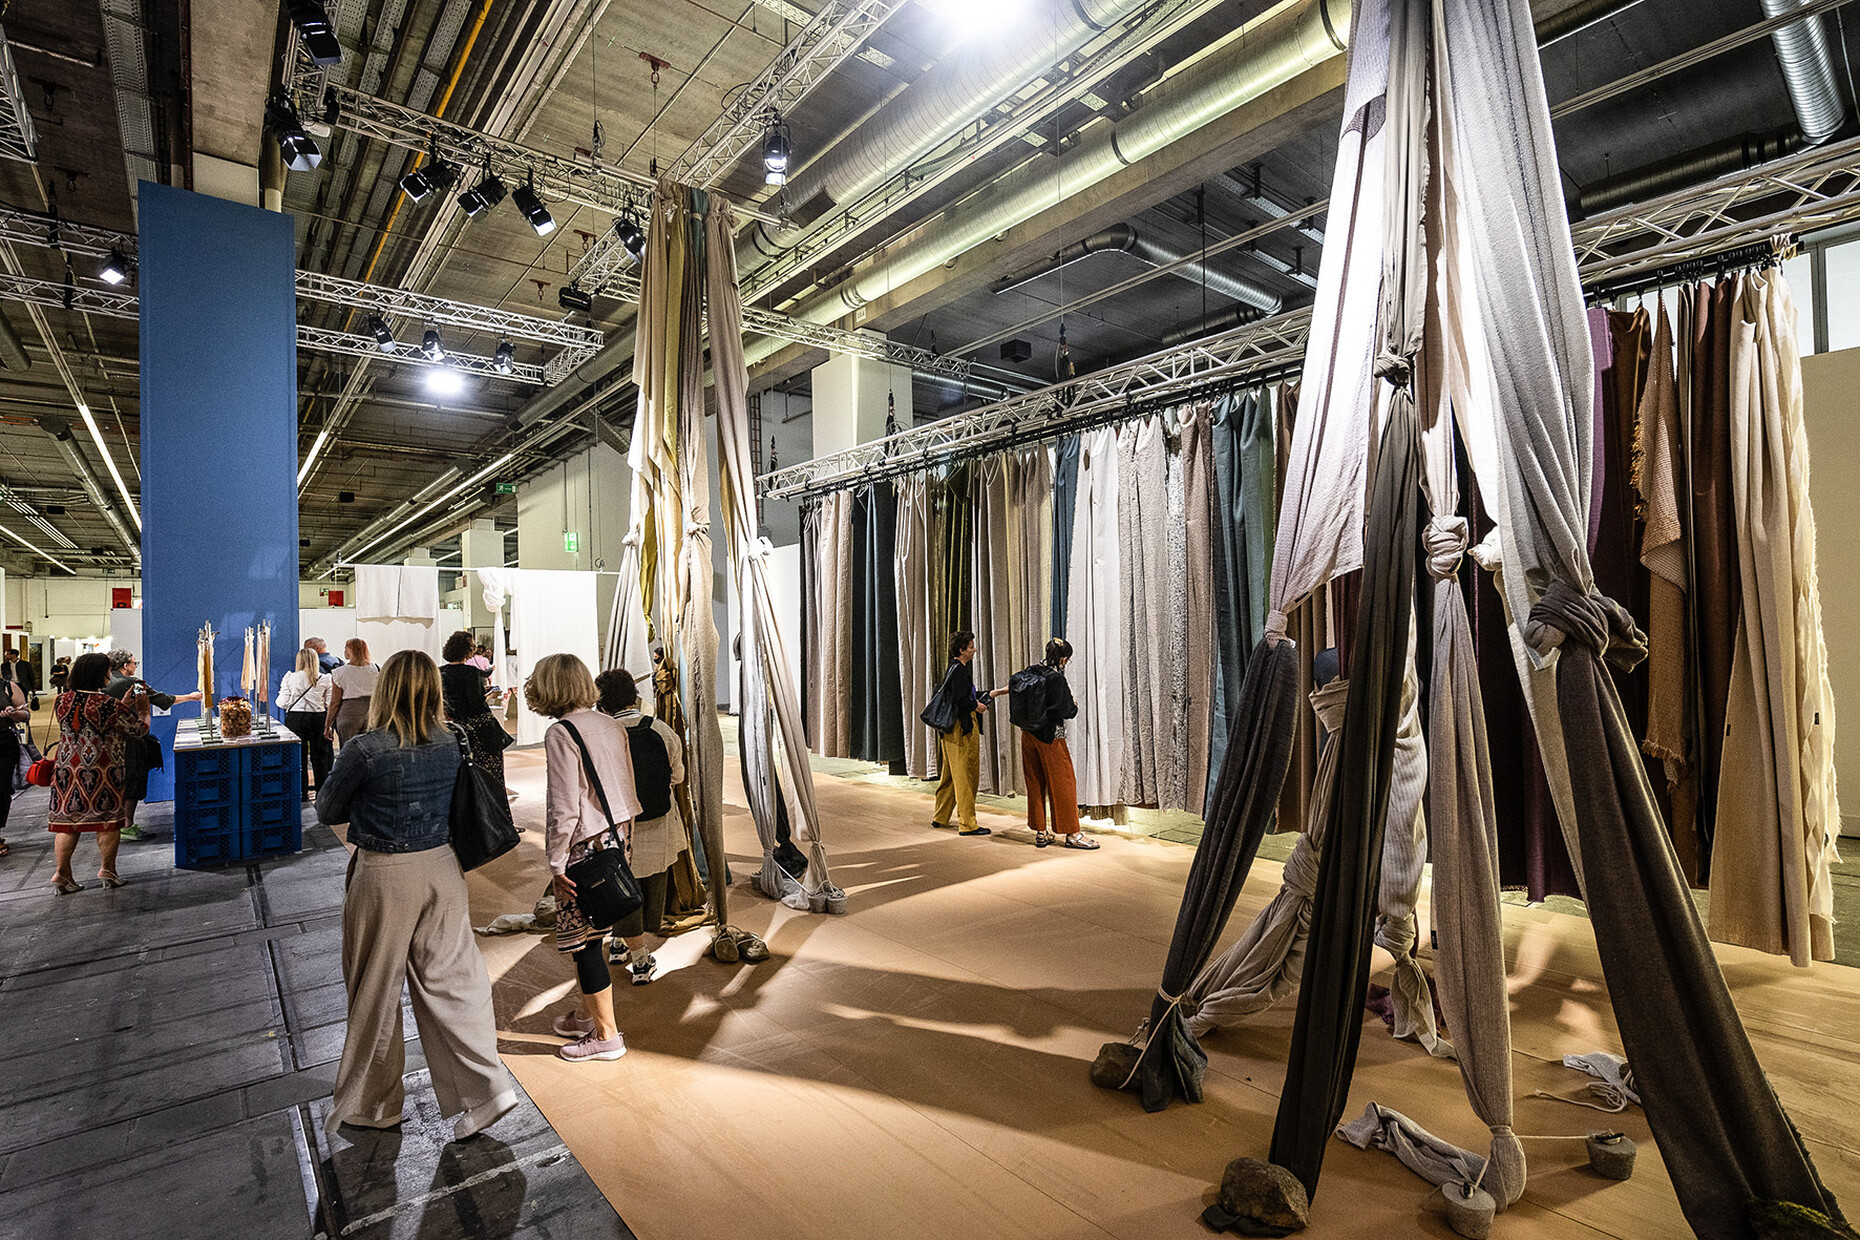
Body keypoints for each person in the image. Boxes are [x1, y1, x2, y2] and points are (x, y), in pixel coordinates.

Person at [314, 650, 517, 1141]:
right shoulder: (452, 740)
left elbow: (327, 810)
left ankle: (375, 1104)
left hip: (384, 873)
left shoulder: (365, 749)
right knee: (455, 981)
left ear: (385, 688)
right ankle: (487, 1090)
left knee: (375, 989)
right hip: (443, 868)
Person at [528, 653, 643, 1063]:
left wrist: (556, 863)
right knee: (598, 931)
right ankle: (584, 1015)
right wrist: (623, 841)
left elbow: (564, 808)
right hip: (616, 839)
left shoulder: (561, 733)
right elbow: (627, 789)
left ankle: (607, 1037)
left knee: (583, 943)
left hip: (583, 848)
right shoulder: (611, 725)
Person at [595, 667, 684, 980]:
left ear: (601, 702)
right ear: (634, 696)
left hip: (619, 826)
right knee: (651, 883)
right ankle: (638, 954)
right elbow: (678, 776)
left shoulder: (602, 735)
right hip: (658, 821)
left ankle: (629, 950)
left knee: (622, 886)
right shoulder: (661, 729)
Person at [48, 652, 148, 892]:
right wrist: (143, 711)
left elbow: (88, 719)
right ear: (99, 674)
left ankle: (62, 873)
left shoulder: (62, 700)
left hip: (66, 771)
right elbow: (138, 730)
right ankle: (108, 870)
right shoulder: (108, 704)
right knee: (108, 821)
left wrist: (122, 704)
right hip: (102, 770)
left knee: (67, 823)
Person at [105, 650, 205, 841]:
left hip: (108, 742)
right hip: (130, 739)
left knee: (116, 781)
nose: (135, 666)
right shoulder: (133, 684)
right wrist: (191, 697)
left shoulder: (105, 682)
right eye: (134, 663)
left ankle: (114, 823)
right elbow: (162, 700)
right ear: (125, 665)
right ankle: (126, 825)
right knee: (133, 779)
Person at [1013, 639, 1096, 850]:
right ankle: (1072, 833)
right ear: (1063, 659)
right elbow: (1068, 710)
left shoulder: (1031, 671)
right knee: (1064, 783)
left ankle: (1041, 831)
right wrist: (1074, 702)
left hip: (1028, 734)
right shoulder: (1056, 679)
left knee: (1035, 781)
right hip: (1051, 736)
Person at [930, 631, 1001, 837]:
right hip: (961, 728)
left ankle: (941, 816)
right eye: (971, 647)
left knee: (950, 775)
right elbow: (961, 699)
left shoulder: (952, 668)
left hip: (949, 730)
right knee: (966, 776)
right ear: (962, 650)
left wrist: (992, 694)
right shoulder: (960, 671)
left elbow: (961, 695)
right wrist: (975, 706)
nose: (974, 650)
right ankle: (968, 823)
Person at [440, 630, 508, 791]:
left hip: (458, 726)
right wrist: (490, 695)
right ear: (467, 649)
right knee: (491, 774)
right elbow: (476, 704)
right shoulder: (470, 672)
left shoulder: (440, 671)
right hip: (481, 728)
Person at [279, 648, 334, 798]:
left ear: (299, 660)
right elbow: (329, 703)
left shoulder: (290, 677)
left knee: (298, 757)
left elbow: (282, 702)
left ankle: (301, 793)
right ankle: (322, 793)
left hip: (295, 719)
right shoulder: (325, 678)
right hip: (318, 718)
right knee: (320, 757)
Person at [326, 638, 377, 746]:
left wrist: (328, 725)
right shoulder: (377, 669)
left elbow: (335, 703)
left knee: (348, 749)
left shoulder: (339, 672)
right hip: (372, 712)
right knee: (370, 749)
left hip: (349, 712)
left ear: (349, 651)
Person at [0, 673, 27, 857]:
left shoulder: (7, 686)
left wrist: (15, 714)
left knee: (2, 788)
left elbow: (25, 714)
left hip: (3, 742)